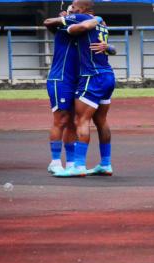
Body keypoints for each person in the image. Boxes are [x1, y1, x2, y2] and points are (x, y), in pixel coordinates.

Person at [49, 0, 116, 177]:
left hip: (91, 76)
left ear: (82, 10)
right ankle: (105, 163)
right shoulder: (102, 25)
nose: (71, 7)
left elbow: (78, 27)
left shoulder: (81, 19)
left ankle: (77, 166)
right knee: (100, 120)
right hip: (107, 75)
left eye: (73, 6)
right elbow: (49, 23)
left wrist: (70, 21)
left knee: (81, 120)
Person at [43, 5, 79, 175]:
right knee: (61, 120)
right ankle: (55, 162)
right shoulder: (63, 28)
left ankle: (71, 162)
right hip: (60, 80)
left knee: (73, 123)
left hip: (77, 81)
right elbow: (48, 23)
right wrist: (64, 19)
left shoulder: (86, 29)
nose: (74, 14)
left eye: (76, 11)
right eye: (71, 11)